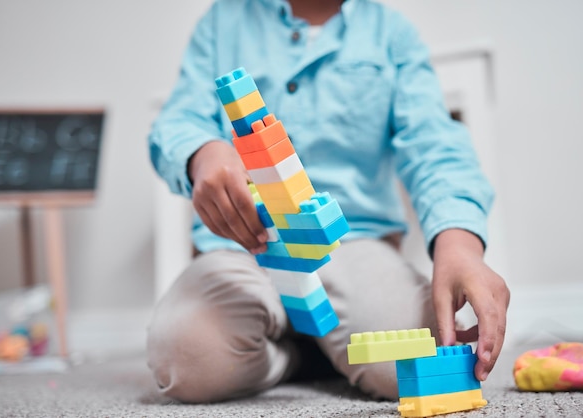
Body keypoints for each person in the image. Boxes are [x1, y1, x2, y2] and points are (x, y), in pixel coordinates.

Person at [146, 0, 510, 403]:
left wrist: (459, 244)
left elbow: (435, 146)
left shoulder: (390, 33)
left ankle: (317, 344)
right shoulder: (222, 23)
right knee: (189, 360)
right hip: (242, 246)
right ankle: (301, 358)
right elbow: (180, 119)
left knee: (414, 361)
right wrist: (201, 152)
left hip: (353, 244)